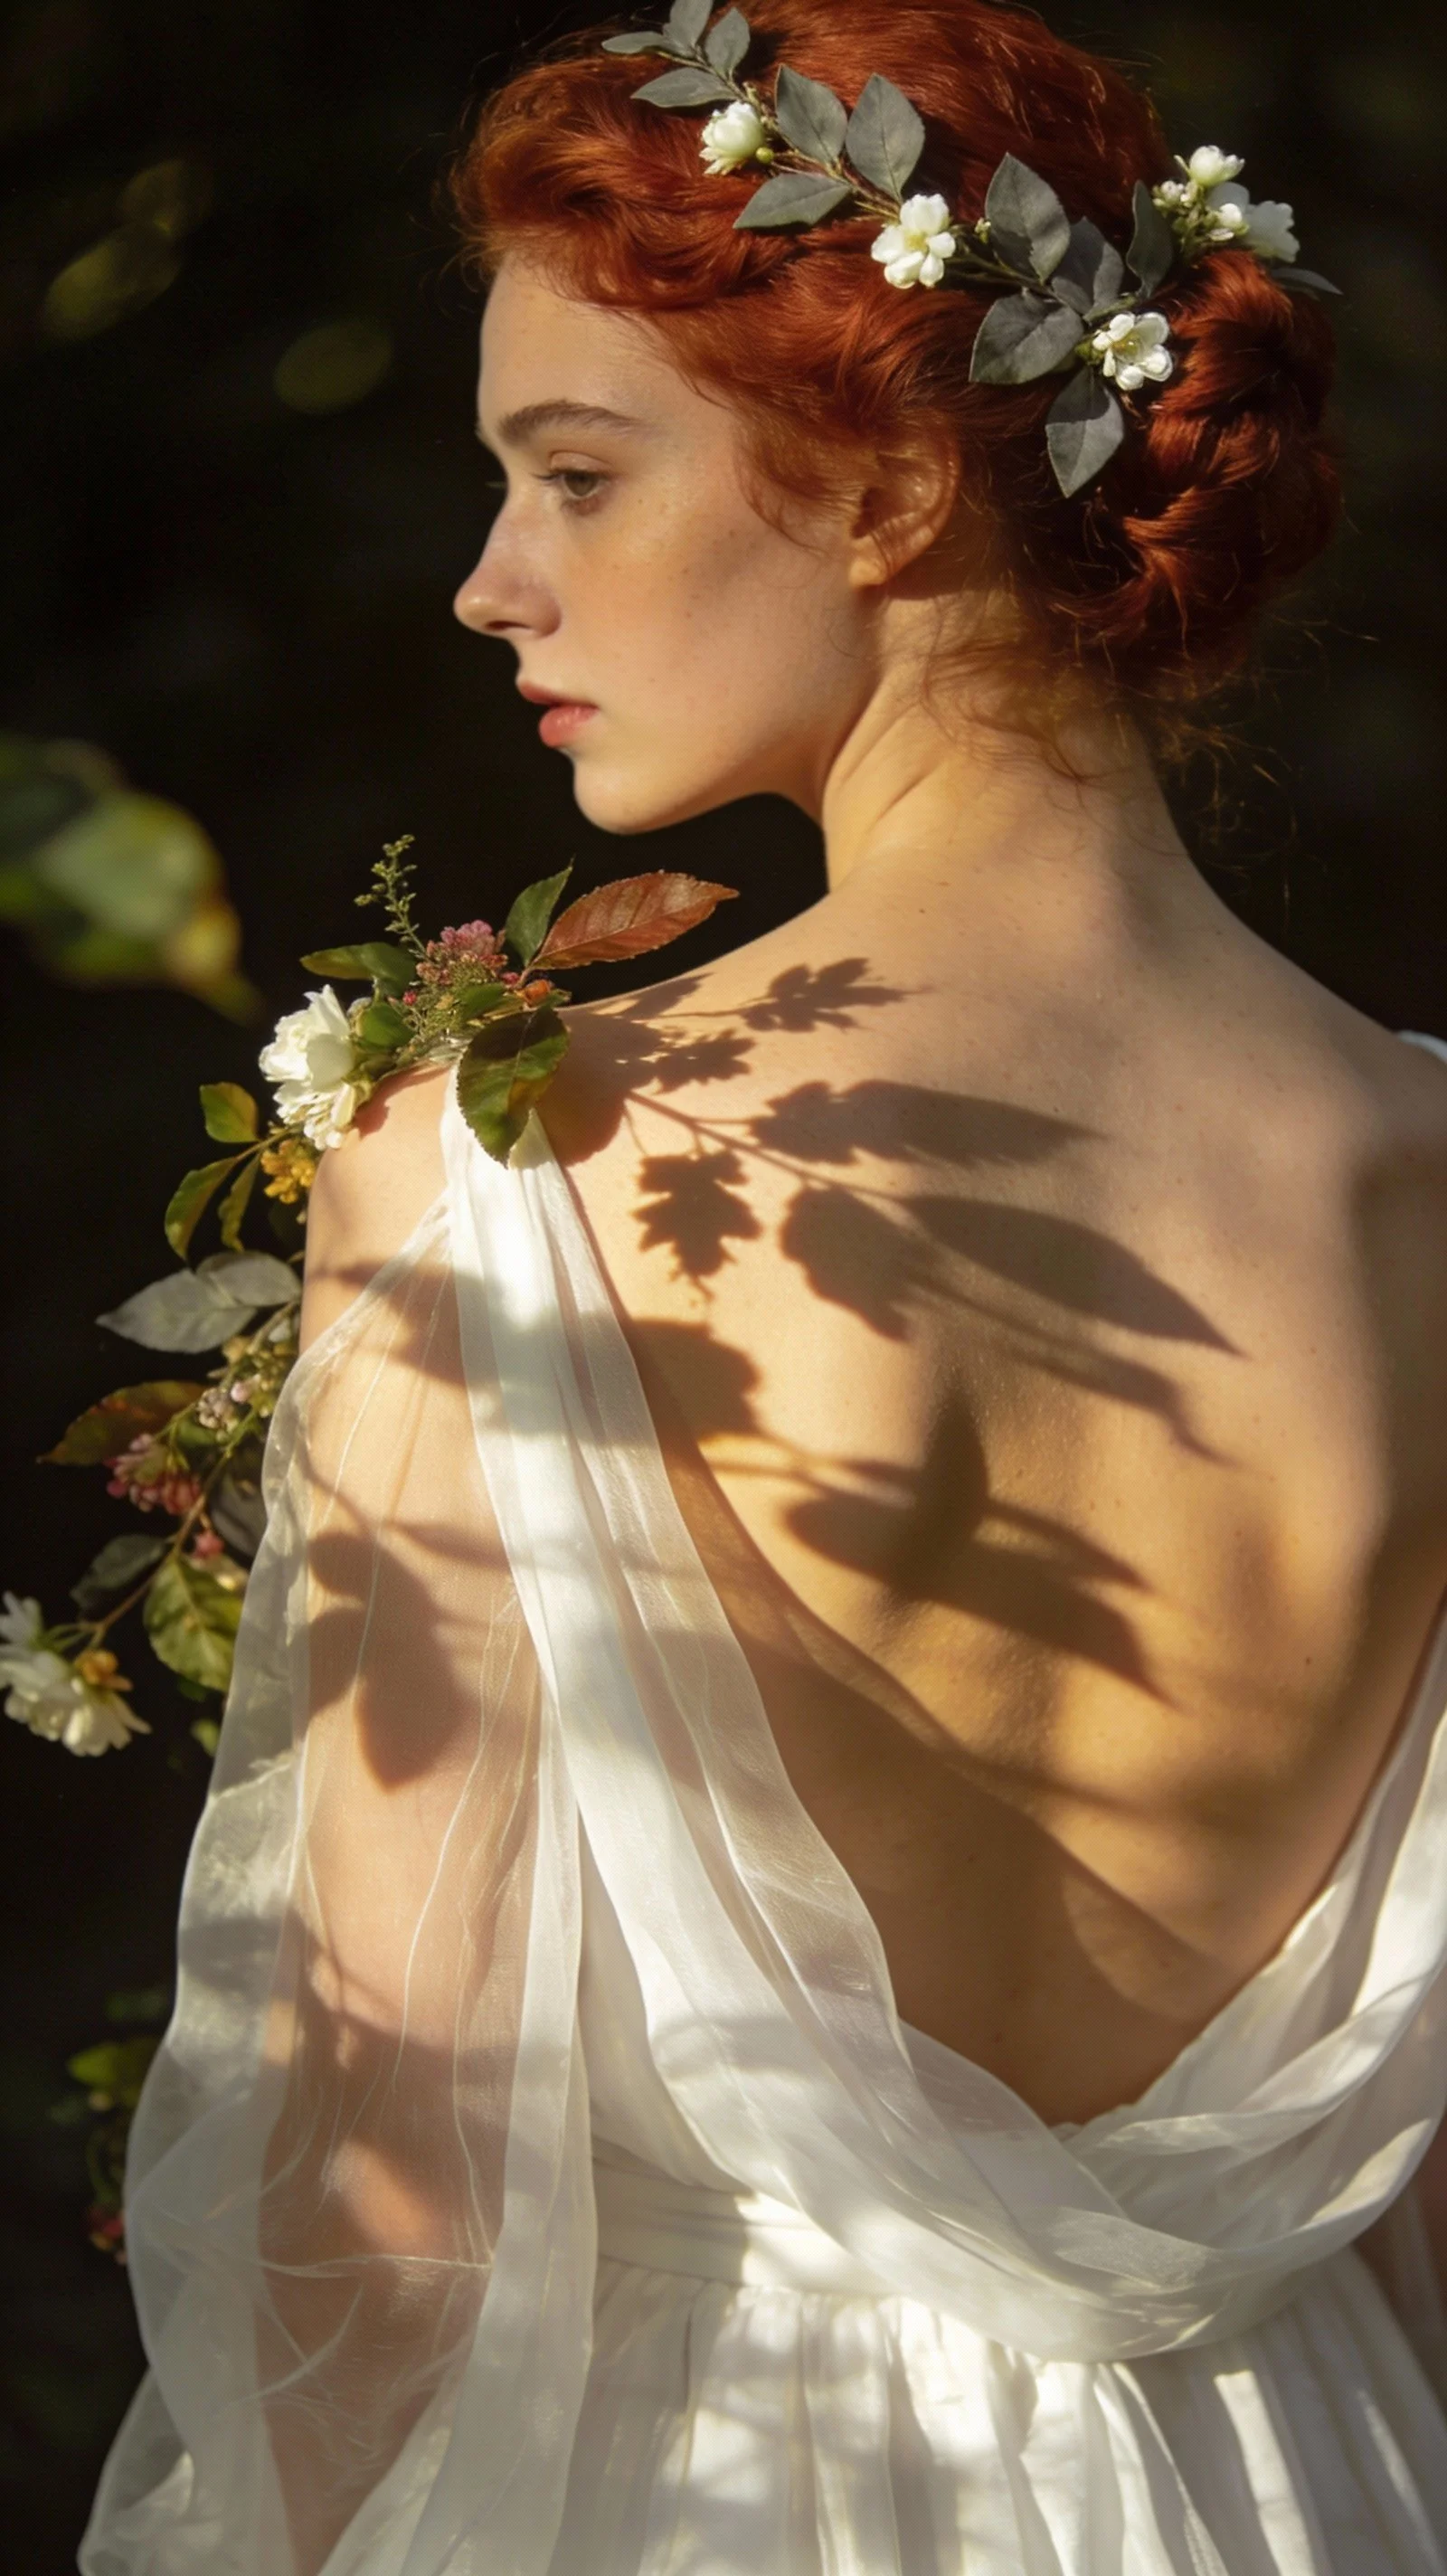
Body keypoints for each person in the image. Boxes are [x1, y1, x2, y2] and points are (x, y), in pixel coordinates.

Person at [81, 5, 1447, 2571]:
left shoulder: (516, 1146)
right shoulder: (1426, 1178)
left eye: (576, 473)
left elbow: (386, 2161)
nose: (496, 582)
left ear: (902, 476)